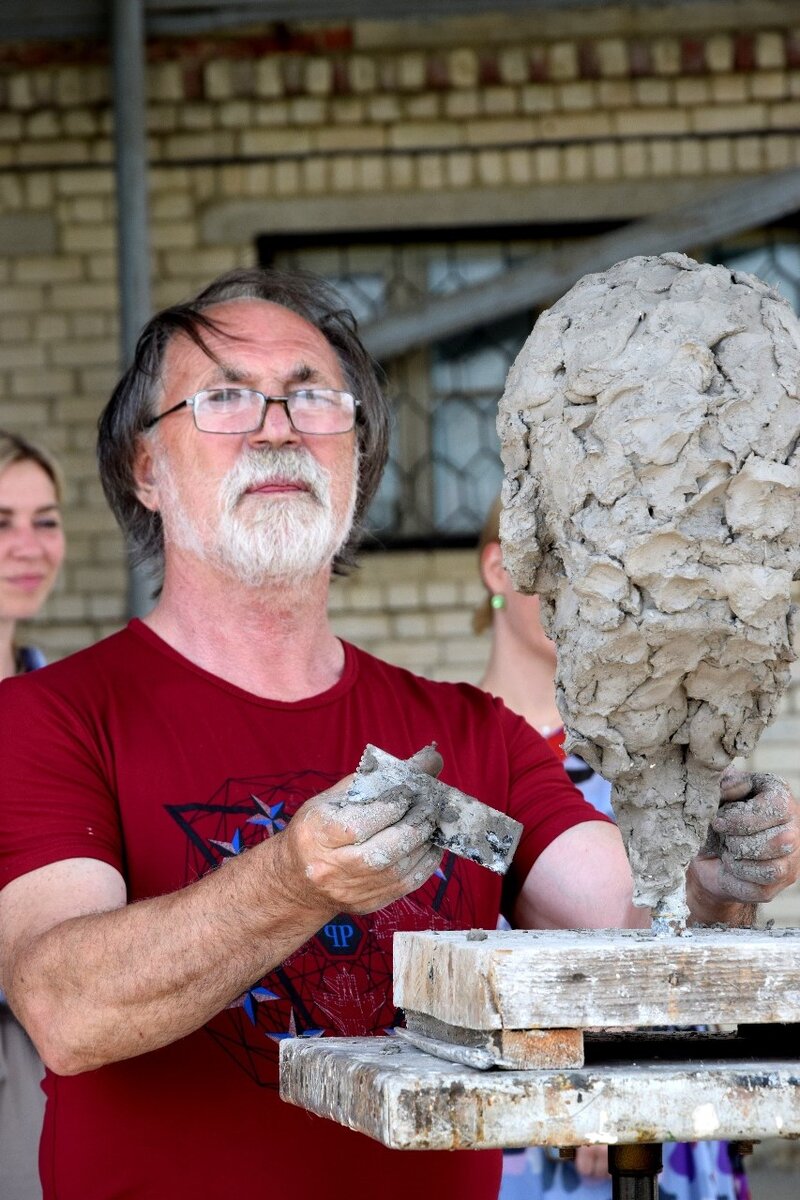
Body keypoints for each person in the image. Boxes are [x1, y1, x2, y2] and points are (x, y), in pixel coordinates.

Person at [0, 268, 794, 1200]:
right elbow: (64, 1007)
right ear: (147, 469)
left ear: (356, 456)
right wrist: (292, 881)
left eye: (313, 399)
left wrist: (714, 888)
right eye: (223, 398)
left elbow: (625, 932)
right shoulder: (49, 716)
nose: (277, 426)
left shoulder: (470, 731)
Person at [476, 497, 750, 1200]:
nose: (583, 594)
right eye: (557, 565)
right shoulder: (451, 750)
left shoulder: (660, 757)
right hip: (506, 1125)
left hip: (660, 1109)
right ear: (499, 568)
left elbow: (708, 942)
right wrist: (574, 1077)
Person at [0, 431, 66, 1200]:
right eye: (2, 521)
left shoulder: (62, 702)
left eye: (44, 520)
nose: (27, 545)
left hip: (42, 1057)